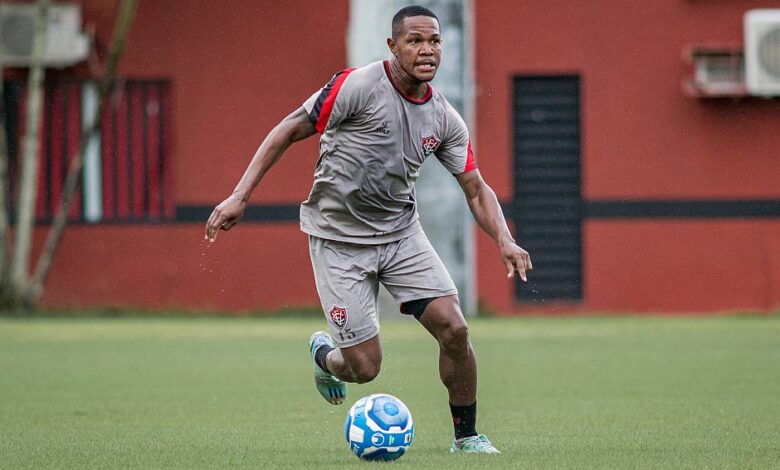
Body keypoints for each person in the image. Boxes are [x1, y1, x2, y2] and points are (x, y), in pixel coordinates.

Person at [205, 5, 531, 454]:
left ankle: (467, 438)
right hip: (338, 240)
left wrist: (505, 240)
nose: (427, 50)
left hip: (400, 236)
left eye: (434, 41)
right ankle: (324, 355)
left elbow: (475, 189)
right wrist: (240, 195)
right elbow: (287, 129)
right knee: (363, 368)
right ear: (392, 46)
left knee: (455, 331)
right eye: (415, 41)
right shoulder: (356, 86)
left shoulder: (444, 118)